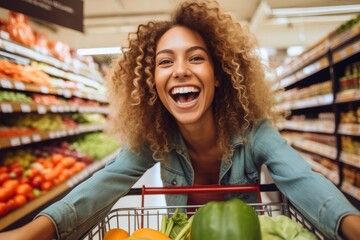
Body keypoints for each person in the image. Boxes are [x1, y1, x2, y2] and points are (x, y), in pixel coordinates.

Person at [1, 0, 360, 239]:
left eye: (196, 58)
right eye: (165, 61)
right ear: (152, 81)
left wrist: (350, 224)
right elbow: (104, 183)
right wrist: (33, 231)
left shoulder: (253, 131)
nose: (181, 71)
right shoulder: (156, 136)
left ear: (219, 75)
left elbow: (300, 177)